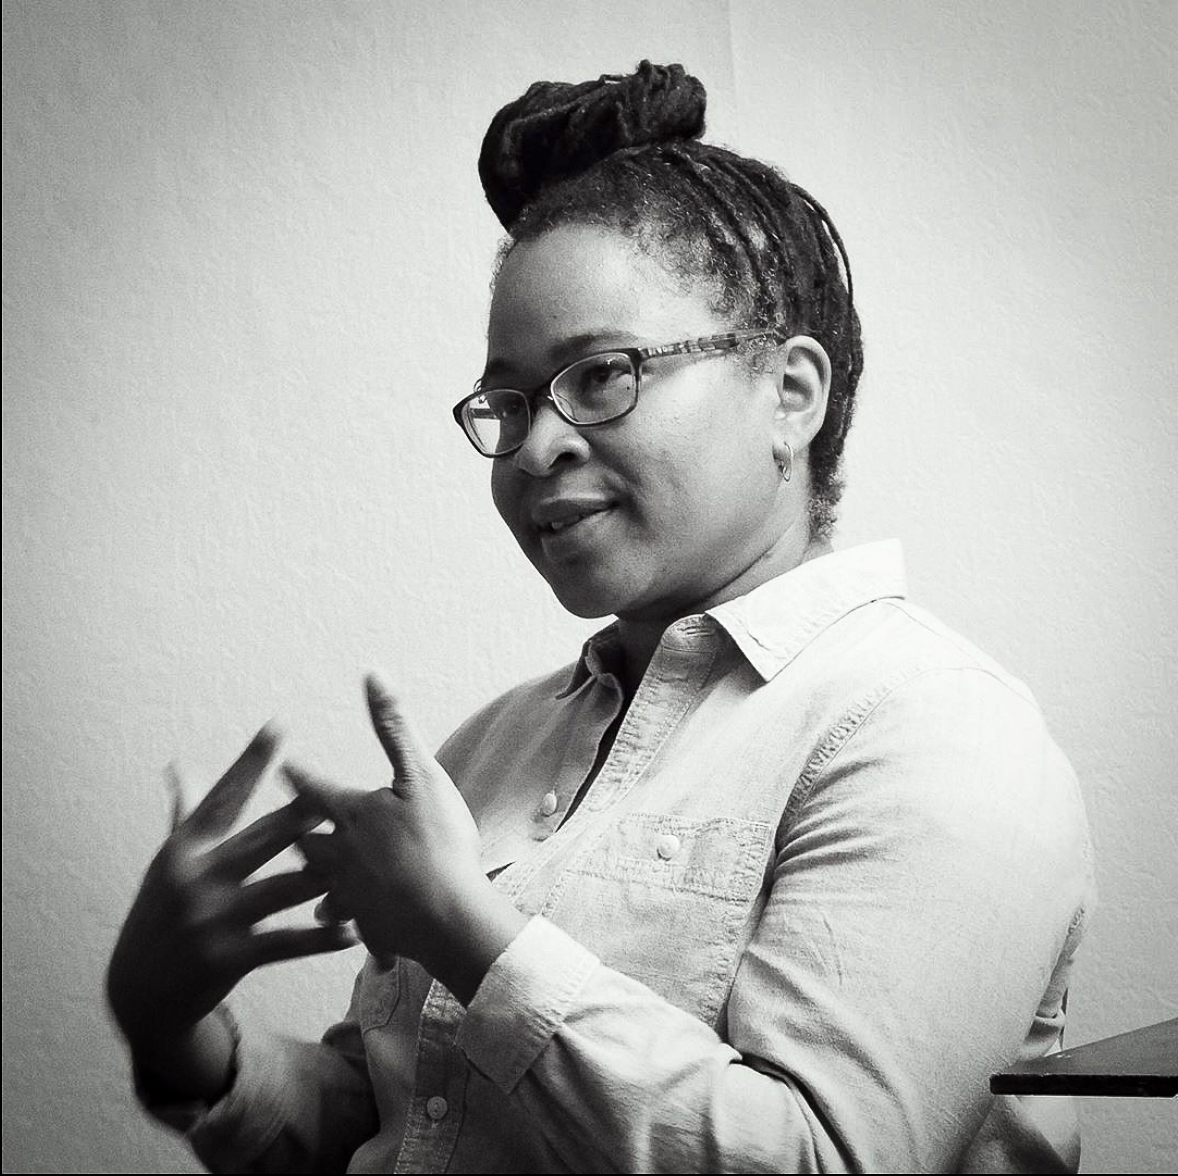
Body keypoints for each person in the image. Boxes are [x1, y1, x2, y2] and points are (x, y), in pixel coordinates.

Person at [106, 61, 1095, 1173]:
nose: (536, 445)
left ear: (790, 394)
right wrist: (175, 1031)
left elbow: (827, 1159)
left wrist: (467, 935)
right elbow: (402, 1123)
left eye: (603, 375)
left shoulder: (933, 732)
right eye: (510, 401)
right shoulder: (490, 749)